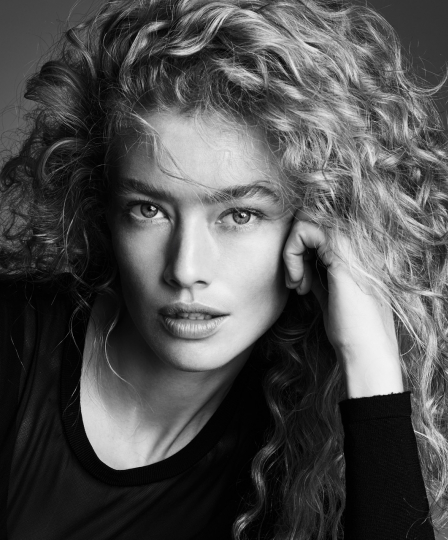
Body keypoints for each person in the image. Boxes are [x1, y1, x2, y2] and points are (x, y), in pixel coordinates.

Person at [0, 0, 447, 538]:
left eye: (240, 215)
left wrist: (369, 357)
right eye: (149, 210)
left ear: (318, 225)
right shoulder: (14, 344)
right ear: (103, 211)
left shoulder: (306, 448)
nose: (186, 269)